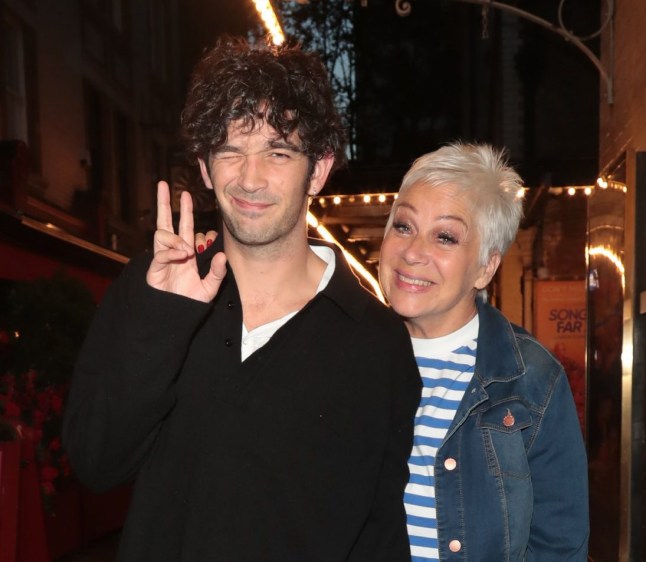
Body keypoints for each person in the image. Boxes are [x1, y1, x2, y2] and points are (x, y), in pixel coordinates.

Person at [63, 37, 421, 562]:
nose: (251, 178)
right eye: (231, 150)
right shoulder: (153, 291)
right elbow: (96, 463)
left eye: (278, 152)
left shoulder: (376, 342)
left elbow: (380, 536)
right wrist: (163, 321)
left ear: (317, 170)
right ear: (207, 169)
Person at [378, 142, 589, 561]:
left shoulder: (531, 380)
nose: (413, 252)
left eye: (445, 236)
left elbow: (559, 545)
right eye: (403, 226)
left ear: (486, 267)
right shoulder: (342, 356)